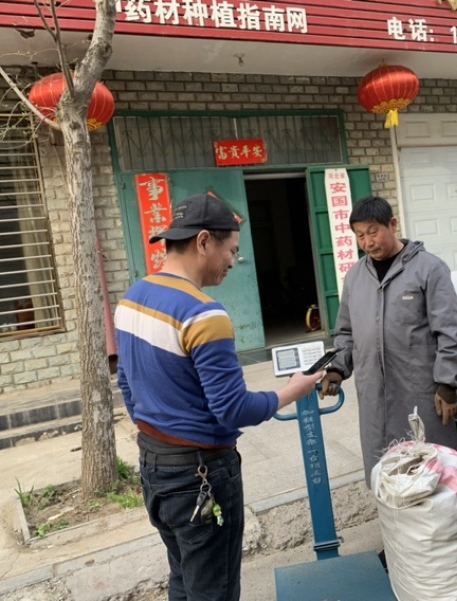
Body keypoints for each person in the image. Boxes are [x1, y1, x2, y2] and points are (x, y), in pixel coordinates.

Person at [115, 192, 322, 601]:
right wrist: (291, 391)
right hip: (201, 475)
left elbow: (126, 383)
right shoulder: (203, 313)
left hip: (155, 468)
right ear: (204, 241)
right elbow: (232, 410)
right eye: (232, 250)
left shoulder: (132, 299)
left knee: (185, 579)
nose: (233, 261)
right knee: (215, 590)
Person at [319, 195, 457, 484]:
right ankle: (394, 527)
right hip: (374, 397)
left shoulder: (429, 269)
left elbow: (449, 330)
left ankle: (438, 529)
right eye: (360, 236)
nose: (367, 242)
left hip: (422, 395)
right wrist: (337, 369)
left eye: (373, 232)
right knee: (384, 474)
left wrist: (448, 383)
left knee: (430, 475)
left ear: (393, 224)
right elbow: (347, 332)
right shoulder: (354, 278)